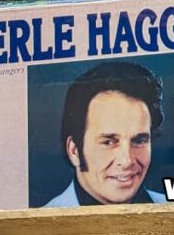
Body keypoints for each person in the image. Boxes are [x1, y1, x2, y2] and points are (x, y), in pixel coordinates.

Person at [44, 61, 167, 207]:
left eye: (139, 141)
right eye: (108, 142)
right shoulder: (36, 228)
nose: (127, 161)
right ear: (74, 151)